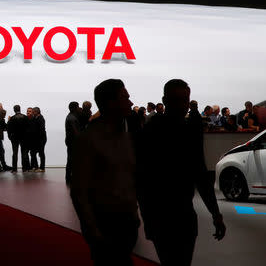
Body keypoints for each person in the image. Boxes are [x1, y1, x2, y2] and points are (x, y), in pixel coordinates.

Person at [136, 79, 226, 266]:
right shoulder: (185, 130)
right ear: (165, 100)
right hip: (171, 214)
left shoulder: (153, 128)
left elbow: (143, 179)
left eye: (184, 100)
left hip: (175, 214)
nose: (181, 105)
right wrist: (215, 213)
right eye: (177, 99)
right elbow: (200, 174)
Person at [70, 79, 139, 266]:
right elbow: (79, 191)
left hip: (126, 221)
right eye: (125, 98)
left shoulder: (127, 135)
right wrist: (92, 229)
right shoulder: (89, 140)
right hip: (105, 223)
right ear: (111, 103)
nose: (130, 103)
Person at [7, 105, 30, 173]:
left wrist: (10, 137)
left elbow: (9, 129)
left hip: (14, 138)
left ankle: (14, 169)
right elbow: (28, 128)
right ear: (20, 109)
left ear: (14, 110)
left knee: (15, 153)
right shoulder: (25, 117)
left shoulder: (12, 118)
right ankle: (24, 168)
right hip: (23, 138)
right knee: (24, 153)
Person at [65, 101, 82, 184]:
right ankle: (69, 178)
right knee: (72, 160)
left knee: (70, 159)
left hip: (70, 141)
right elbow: (76, 132)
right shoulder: (72, 118)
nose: (79, 108)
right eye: (78, 106)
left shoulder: (70, 117)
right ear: (74, 108)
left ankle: (69, 177)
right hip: (73, 142)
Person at [31, 107, 47, 172]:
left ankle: (42, 168)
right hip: (37, 139)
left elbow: (41, 130)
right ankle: (36, 167)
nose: (32, 113)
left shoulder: (40, 119)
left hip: (40, 140)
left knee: (41, 153)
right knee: (33, 153)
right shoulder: (35, 118)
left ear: (36, 112)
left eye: (33, 112)